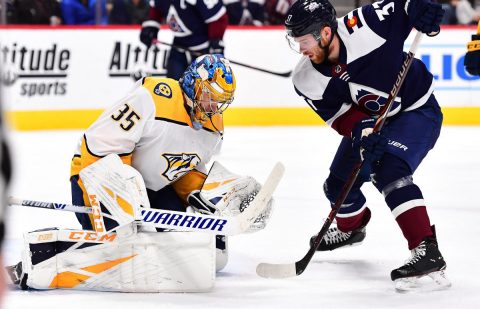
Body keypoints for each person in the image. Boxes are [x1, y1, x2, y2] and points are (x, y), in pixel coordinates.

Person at [6, 54, 273, 291]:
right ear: (193, 84)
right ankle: (45, 261)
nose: (214, 107)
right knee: (123, 241)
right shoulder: (155, 96)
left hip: (151, 189)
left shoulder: (213, 128)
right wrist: (124, 196)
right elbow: (98, 146)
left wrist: (213, 197)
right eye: (209, 97)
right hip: (94, 177)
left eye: (220, 102)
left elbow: (184, 172)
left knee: (190, 248)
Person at [284, 0, 450, 290]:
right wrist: (362, 132)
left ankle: (426, 250)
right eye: (295, 42)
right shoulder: (306, 78)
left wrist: (423, 10)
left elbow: (408, 5)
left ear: (325, 33)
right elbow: (341, 118)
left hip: (417, 110)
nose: (301, 49)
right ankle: (351, 229)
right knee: (337, 185)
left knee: (389, 169)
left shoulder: (367, 24)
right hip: (375, 120)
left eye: (305, 40)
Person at [139, 1, 228, 79]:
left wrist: (216, 40)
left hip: (203, 50)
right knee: (173, 85)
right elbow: (156, 9)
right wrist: (150, 27)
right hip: (178, 46)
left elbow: (218, 17)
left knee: (202, 88)